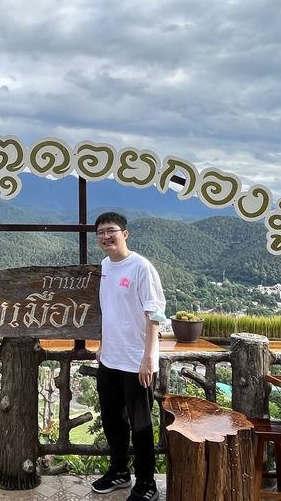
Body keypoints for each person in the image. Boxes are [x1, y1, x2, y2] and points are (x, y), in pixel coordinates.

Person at [91, 211, 166, 500]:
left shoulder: (141, 267)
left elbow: (155, 313)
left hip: (137, 361)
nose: (106, 236)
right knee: (113, 421)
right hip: (110, 358)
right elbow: (110, 310)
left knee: (141, 425)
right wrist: (102, 344)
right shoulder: (106, 266)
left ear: (125, 234)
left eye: (111, 230)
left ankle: (147, 483)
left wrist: (149, 358)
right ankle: (120, 472)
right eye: (101, 232)